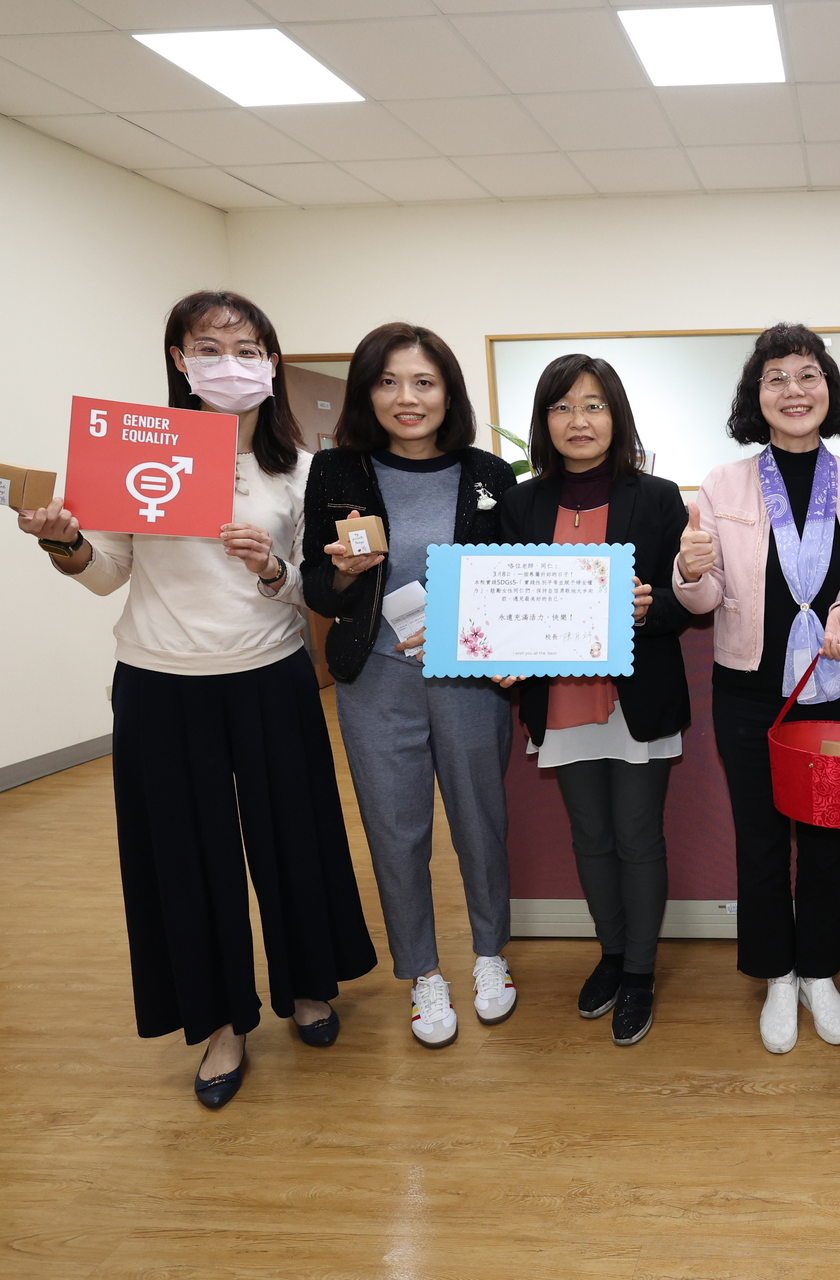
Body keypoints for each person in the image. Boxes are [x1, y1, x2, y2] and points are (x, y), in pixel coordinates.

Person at [15, 290, 376, 1108]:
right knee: (184, 856)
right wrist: (64, 541)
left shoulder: (302, 469)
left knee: (293, 836)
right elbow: (107, 570)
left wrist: (270, 569)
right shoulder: (130, 452)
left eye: (246, 348)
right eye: (208, 348)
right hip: (159, 682)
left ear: (272, 361)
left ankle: (309, 986)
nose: (229, 363)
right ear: (179, 359)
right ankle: (220, 1023)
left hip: (270, 674)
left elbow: (310, 591)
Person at [673, 323, 840, 1054]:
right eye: (776, 378)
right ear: (756, 396)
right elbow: (703, 602)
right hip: (748, 688)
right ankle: (776, 974)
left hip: (834, 686)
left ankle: (820, 971)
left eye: (807, 375)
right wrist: (688, 570)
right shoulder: (721, 484)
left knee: (828, 839)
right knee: (762, 838)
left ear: (827, 389)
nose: (793, 390)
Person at [301, 323, 517, 1051]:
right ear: (367, 392)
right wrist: (344, 574)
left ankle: (491, 956)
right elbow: (319, 591)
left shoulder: (489, 473)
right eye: (389, 382)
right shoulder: (336, 474)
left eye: (423, 382)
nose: (407, 397)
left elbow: (507, 582)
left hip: (470, 680)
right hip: (377, 680)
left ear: (447, 391)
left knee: (479, 822)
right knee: (397, 833)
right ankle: (422, 972)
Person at [498, 355, 690, 1048]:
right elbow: (504, 597)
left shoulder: (660, 497)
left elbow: (686, 602)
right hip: (560, 699)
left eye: (594, 405)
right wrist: (493, 650)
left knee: (639, 836)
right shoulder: (520, 502)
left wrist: (652, 605)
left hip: (636, 694)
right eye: (562, 407)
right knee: (591, 836)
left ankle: (640, 971)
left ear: (617, 416)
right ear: (544, 421)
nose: (579, 421)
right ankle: (610, 955)